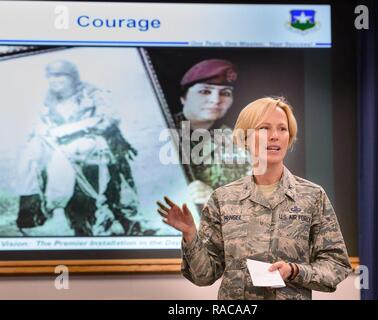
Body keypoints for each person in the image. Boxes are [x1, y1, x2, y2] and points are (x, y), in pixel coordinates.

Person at [157, 97, 352, 299]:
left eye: (282, 129)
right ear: (244, 138)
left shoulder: (312, 196)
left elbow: (336, 265)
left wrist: (294, 271)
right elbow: (204, 276)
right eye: (264, 128)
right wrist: (190, 235)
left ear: (290, 138)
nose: (275, 136)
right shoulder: (223, 199)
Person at [16, 60, 143, 236]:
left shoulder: (92, 94)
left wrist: (77, 128)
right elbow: (39, 126)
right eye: (51, 77)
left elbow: (109, 118)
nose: (55, 81)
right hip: (64, 149)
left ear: (72, 77)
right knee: (32, 155)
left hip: (98, 145)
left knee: (65, 159)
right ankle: (32, 212)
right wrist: (43, 132)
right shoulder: (49, 101)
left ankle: (130, 227)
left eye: (60, 76)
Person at [173, 59, 251, 205]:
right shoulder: (161, 132)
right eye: (205, 91)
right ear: (183, 98)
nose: (216, 100)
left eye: (225, 93)